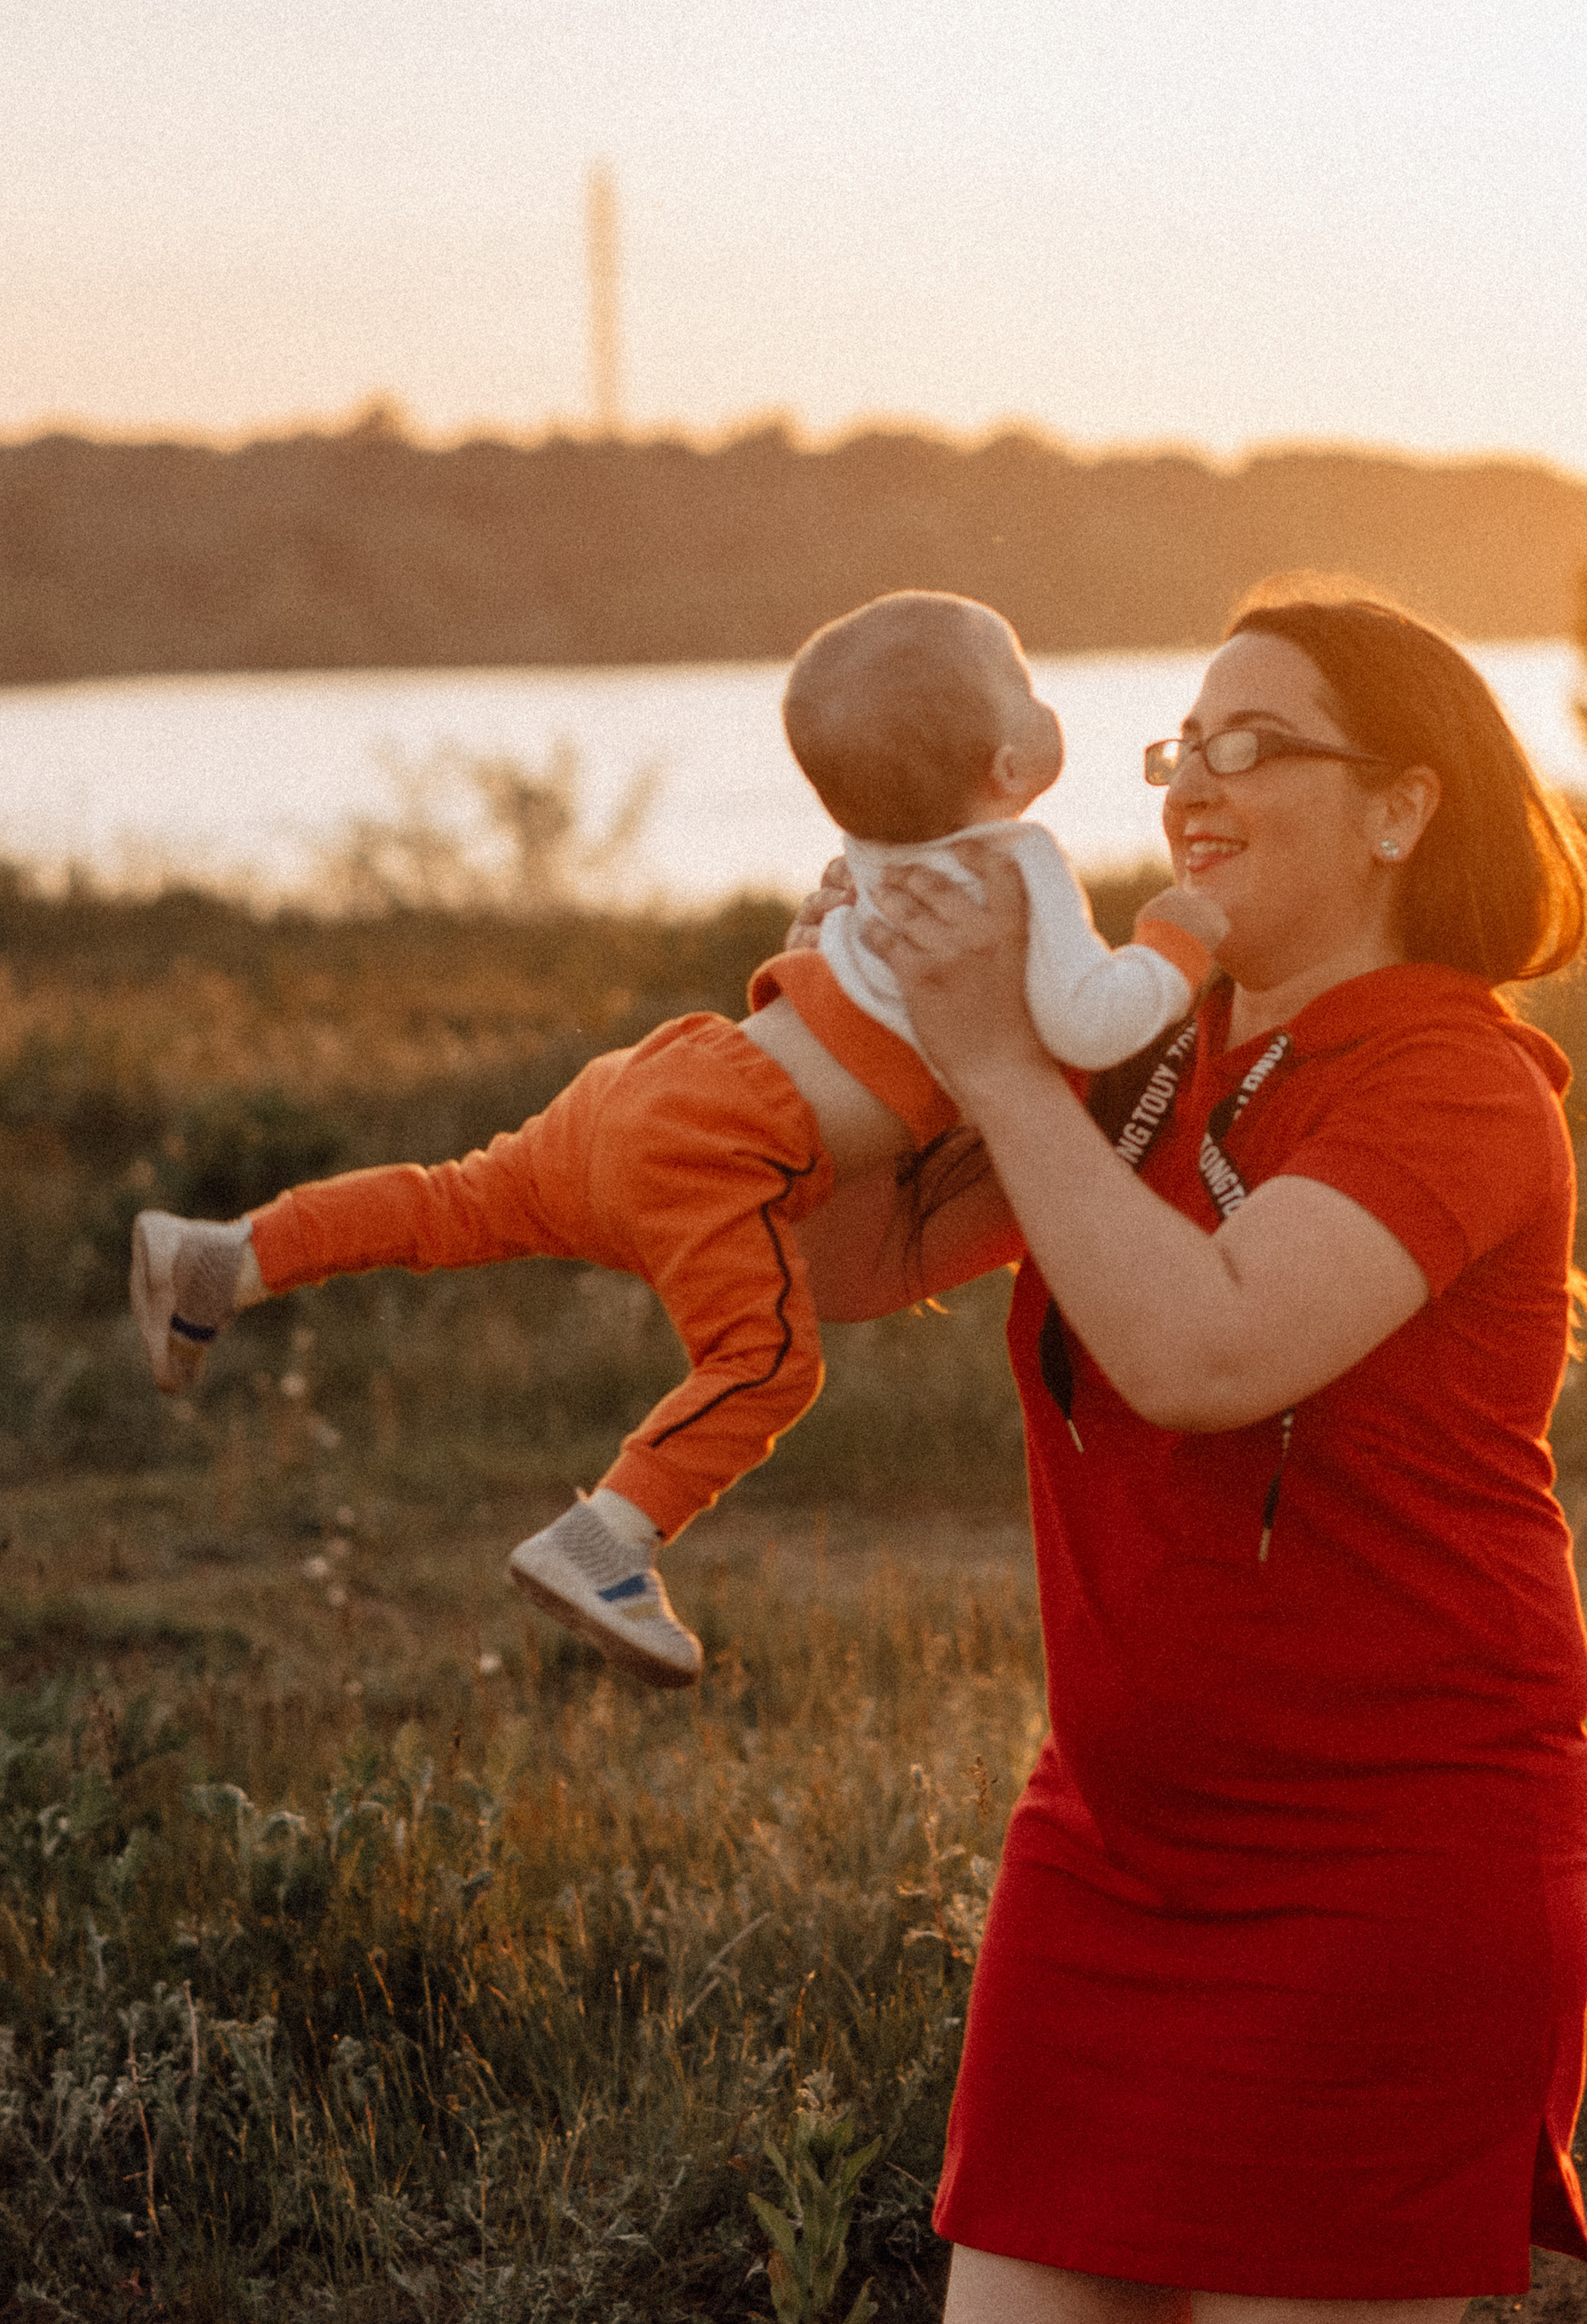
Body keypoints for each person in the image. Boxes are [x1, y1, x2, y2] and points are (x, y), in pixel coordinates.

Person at [797, 584, 1587, 2316]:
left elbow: (1204, 1351)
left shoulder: (1457, 1085)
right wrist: (859, 1016)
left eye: (1256, 746)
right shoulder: (1138, 1047)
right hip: (1104, 1847)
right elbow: (844, 1265)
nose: (1190, 787)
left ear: (1401, 806)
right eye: (1183, 747)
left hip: (1382, 1875)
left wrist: (999, 1073)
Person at [125, 593, 1220, 1689]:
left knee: (447, 1203)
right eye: (1024, 685)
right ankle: (604, 1543)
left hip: (662, 1080)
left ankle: (229, 1256)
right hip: (728, 1145)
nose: (1044, 703)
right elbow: (1093, 1018)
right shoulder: (1018, 859)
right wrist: (1177, 940)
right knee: (766, 1368)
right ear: (1013, 756)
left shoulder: (872, 851)